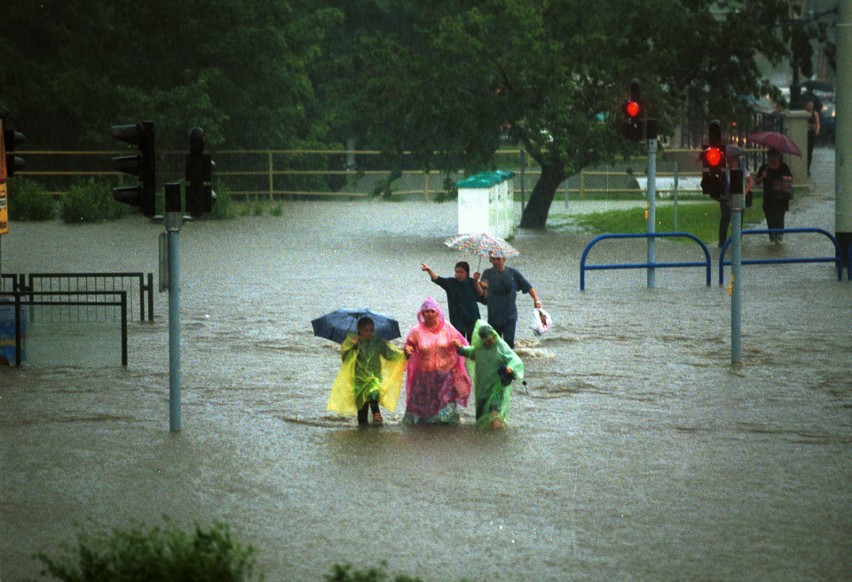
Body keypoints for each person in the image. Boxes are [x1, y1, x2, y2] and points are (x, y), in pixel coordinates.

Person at [402, 296, 471, 425]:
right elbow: (408, 345)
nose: (429, 314)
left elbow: (464, 346)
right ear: (422, 313)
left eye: (432, 311)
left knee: (446, 407)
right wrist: (408, 350)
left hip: (445, 375)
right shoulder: (416, 331)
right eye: (426, 311)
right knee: (423, 411)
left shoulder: (448, 328)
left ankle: (446, 428)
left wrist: (457, 345)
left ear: (437, 313)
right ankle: (425, 426)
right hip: (424, 375)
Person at [326, 316, 405, 426]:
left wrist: (404, 355)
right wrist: (353, 347)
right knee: (362, 412)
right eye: (366, 330)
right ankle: (363, 433)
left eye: (371, 330)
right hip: (359, 379)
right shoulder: (353, 341)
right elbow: (346, 359)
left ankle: (377, 415)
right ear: (359, 330)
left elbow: (389, 354)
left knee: (373, 393)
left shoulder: (378, 341)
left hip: (374, 376)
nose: (369, 333)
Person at [453, 320, 524, 429]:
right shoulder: (480, 348)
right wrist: (460, 348)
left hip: (497, 386)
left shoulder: (501, 346)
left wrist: (510, 367)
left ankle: (495, 438)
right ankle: (485, 439)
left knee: (495, 412)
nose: (487, 342)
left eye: (489, 339)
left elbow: (515, 359)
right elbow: (470, 352)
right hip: (482, 387)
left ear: (493, 335)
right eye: (484, 340)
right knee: (483, 414)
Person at [478, 254, 542, 348]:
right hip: (493, 315)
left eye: (498, 259)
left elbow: (528, 286)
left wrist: (536, 300)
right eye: (493, 259)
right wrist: (479, 283)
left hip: (509, 315)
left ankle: (511, 361)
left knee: (509, 342)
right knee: (494, 344)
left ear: (504, 259)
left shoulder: (513, 273)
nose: (495, 261)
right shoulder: (487, 273)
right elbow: (482, 289)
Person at [420, 261, 484, 342]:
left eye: (461, 272)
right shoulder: (450, 283)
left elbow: (481, 293)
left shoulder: (472, 282)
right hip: (457, 319)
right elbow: (437, 279)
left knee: (472, 344)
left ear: (467, 273)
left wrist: (476, 281)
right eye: (457, 272)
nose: (458, 274)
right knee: (458, 345)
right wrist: (429, 270)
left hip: (472, 318)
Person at [755, 148, 794, 244]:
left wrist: (782, 178)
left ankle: (779, 239)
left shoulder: (784, 167)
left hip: (781, 198)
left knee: (780, 218)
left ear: (778, 157)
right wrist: (762, 177)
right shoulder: (764, 168)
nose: (773, 159)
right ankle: (772, 239)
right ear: (769, 158)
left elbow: (791, 179)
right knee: (770, 219)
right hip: (768, 199)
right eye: (771, 157)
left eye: (775, 157)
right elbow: (756, 181)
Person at [717, 155, 754, 248]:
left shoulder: (742, 170)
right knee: (725, 218)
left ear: (736, 160)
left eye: (732, 159)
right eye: (728, 160)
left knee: (738, 219)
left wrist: (744, 192)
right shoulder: (724, 171)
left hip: (738, 197)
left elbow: (751, 181)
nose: (730, 162)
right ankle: (722, 242)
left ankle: (737, 241)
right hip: (726, 198)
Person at [805, 98, 820, 177]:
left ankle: (808, 169)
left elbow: (817, 123)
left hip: (812, 133)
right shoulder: (804, 113)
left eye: (812, 106)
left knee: (810, 152)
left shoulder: (815, 113)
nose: (810, 107)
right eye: (809, 105)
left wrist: (817, 131)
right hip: (805, 133)